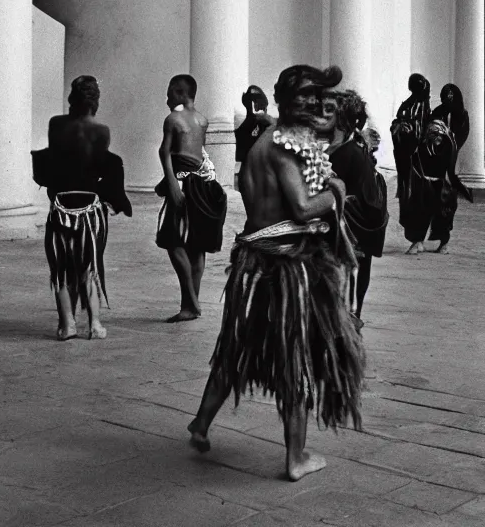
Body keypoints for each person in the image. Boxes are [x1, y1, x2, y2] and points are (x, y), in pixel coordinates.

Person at [187, 65, 365, 482]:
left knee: (235, 349)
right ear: (286, 98)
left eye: (318, 95)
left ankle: (200, 424)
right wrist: (336, 190)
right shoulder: (282, 145)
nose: (314, 102)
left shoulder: (272, 138)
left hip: (257, 262)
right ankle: (295, 457)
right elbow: (303, 207)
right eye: (305, 94)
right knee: (296, 359)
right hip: (284, 270)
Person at [35, 75, 132, 341]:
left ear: (72, 98)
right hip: (90, 207)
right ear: (95, 101)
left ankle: (67, 325)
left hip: (61, 205)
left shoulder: (56, 124)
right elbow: (99, 165)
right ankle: (95, 325)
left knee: (62, 268)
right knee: (90, 266)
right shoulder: (101, 131)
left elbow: (55, 163)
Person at [155, 74, 227, 323]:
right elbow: (194, 155)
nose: (166, 98)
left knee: (172, 241)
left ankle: (192, 303)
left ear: (180, 92)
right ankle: (189, 305)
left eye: (169, 93)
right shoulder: (202, 120)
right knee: (196, 247)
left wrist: (173, 185)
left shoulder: (173, 119)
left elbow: (166, 153)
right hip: (201, 184)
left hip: (186, 185)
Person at [314, 90, 388, 323]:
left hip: (348, 240)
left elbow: (368, 206)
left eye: (328, 111)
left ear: (341, 119)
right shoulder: (329, 150)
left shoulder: (353, 154)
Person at [401, 118, 472, 254]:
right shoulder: (423, 146)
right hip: (424, 185)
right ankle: (418, 242)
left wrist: (460, 188)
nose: (437, 138)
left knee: (444, 216)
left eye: (440, 135)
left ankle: (443, 244)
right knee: (419, 213)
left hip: (441, 186)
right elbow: (414, 161)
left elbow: (450, 172)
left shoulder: (449, 147)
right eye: (434, 135)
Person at [390, 73, 431, 254]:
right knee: (411, 199)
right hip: (408, 163)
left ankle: (418, 239)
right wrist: (400, 129)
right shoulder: (408, 106)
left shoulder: (424, 109)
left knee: (419, 200)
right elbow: (398, 128)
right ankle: (416, 238)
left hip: (420, 165)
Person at [234, 86, 275, 181]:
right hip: (249, 170)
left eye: (257, 100)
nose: (255, 104)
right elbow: (239, 149)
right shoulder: (247, 124)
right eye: (252, 100)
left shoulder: (269, 123)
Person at [431, 84, 469, 152]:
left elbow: (463, 134)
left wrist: (454, 147)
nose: (448, 102)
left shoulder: (462, 114)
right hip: (439, 151)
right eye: (445, 100)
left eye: (451, 99)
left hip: (452, 150)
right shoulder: (437, 111)